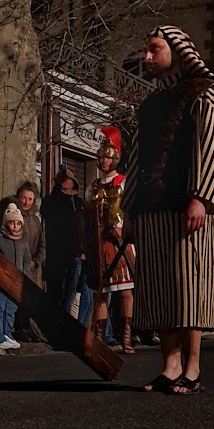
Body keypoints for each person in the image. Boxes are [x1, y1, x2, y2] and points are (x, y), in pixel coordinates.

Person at [123, 25, 214, 395]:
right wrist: (130, 212)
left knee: (190, 286)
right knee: (158, 288)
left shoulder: (203, 92)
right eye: (147, 50)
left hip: (188, 206)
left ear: (177, 49)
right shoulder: (150, 104)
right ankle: (170, 366)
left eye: (154, 49)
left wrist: (201, 197)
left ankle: (193, 368)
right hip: (152, 208)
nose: (147, 57)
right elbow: (136, 158)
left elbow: (212, 145)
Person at [83, 127, 136, 354]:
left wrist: (124, 231)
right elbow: (87, 216)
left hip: (120, 241)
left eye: (107, 156)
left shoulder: (124, 183)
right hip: (100, 242)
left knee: (125, 290)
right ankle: (99, 338)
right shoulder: (92, 187)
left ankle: (126, 337)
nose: (103, 160)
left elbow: (131, 211)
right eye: (101, 156)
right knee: (102, 292)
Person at [41, 166, 85, 313]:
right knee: (55, 293)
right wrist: (57, 188)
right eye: (62, 179)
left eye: (68, 179)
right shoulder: (51, 201)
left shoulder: (79, 204)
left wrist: (84, 250)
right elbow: (46, 211)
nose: (65, 182)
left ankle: (65, 326)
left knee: (71, 293)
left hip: (75, 253)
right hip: (56, 253)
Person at [0, 203, 29, 350]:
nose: (15, 226)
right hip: (0, 280)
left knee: (10, 309)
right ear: (6, 223)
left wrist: (25, 278)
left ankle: (6, 334)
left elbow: (26, 260)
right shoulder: (0, 240)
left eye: (18, 223)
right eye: (12, 223)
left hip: (16, 282)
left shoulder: (23, 242)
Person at [15, 181, 45, 284]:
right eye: (24, 198)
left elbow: (43, 244)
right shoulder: (12, 217)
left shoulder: (35, 220)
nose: (26, 202)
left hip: (31, 270)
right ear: (18, 197)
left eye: (30, 199)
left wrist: (35, 262)